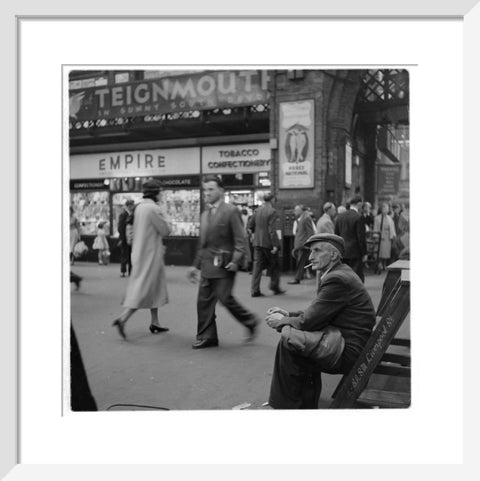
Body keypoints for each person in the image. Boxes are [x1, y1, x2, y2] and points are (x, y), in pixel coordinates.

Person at [264, 233, 376, 409]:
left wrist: (281, 321)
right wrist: (288, 313)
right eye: (310, 251)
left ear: (332, 255)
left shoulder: (336, 279)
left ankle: (288, 407)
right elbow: (319, 312)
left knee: (291, 343)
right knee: (296, 341)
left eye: (317, 251)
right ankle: (300, 404)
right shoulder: (339, 272)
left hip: (348, 350)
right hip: (348, 341)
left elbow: (309, 321)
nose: (310, 256)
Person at [186, 175, 260, 349]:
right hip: (206, 265)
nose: (208, 193)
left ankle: (250, 321)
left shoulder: (230, 210)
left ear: (221, 190)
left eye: (211, 189)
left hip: (225, 265)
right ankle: (207, 336)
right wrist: (194, 266)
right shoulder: (204, 215)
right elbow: (202, 244)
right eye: (206, 190)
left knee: (225, 299)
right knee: (203, 302)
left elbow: (240, 239)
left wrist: (236, 260)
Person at [112, 180, 172, 340]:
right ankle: (123, 319)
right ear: (155, 193)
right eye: (160, 191)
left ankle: (155, 322)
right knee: (144, 288)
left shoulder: (139, 207)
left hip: (140, 252)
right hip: (150, 255)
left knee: (154, 287)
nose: (162, 194)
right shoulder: (154, 208)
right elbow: (166, 230)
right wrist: (165, 213)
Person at [249, 193, 284, 297]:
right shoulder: (272, 212)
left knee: (257, 267)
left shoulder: (257, 210)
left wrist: (253, 235)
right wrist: (275, 245)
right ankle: (274, 286)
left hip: (257, 242)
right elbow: (272, 229)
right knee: (275, 265)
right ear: (272, 200)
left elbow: (250, 225)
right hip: (268, 243)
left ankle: (254, 290)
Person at [334, 195, 368, 282]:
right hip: (355, 251)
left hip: (343, 251)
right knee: (356, 277)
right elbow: (361, 237)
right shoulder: (359, 217)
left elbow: (336, 235)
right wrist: (364, 253)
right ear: (359, 204)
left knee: (344, 276)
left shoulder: (340, 217)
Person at [288, 205, 315, 285]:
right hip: (302, 244)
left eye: (296, 210)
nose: (294, 212)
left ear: (301, 210)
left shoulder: (306, 218)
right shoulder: (302, 218)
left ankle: (297, 278)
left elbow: (310, 232)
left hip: (304, 245)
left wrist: (308, 244)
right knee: (303, 261)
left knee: (301, 262)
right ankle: (300, 276)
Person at [374, 202, 396, 272]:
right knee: (380, 252)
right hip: (381, 237)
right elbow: (375, 227)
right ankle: (380, 263)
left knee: (386, 252)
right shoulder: (377, 218)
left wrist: (393, 235)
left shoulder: (390, 218)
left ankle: (385, 264)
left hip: (388, 236)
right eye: (385, 208)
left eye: (387, 208)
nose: (386, 210)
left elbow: (392, 227)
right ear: (382, 209)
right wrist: (376, 236)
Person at [117, 199, 135, 277]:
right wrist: (121, 238)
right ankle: (123, 271)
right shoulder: (123, 214)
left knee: (131, 255)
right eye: (131, 205)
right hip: (124, 238)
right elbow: (120, 227)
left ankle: (131, 271)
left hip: (131, 238)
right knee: (124, 254)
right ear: (127, 206)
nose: (132, 206)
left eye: (133, 205)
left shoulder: (133, 214)